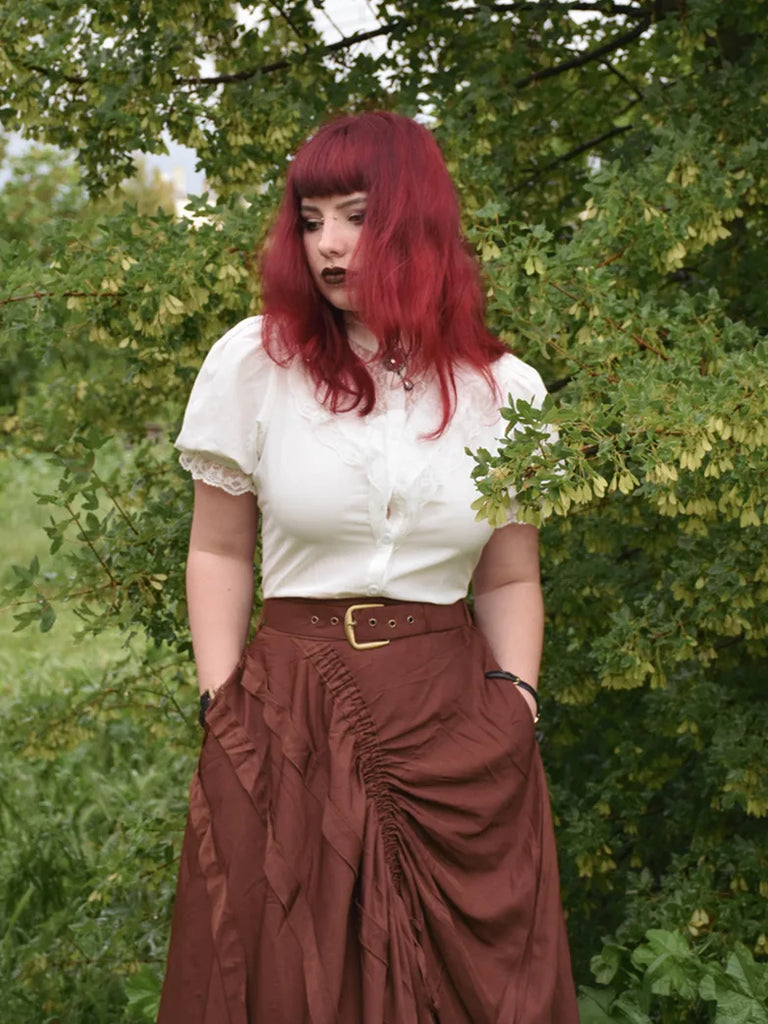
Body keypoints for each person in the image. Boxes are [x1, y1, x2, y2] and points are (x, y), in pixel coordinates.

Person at [158, 110, 578, 1024]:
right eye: (311, 221)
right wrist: (224, 703)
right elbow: (218, 547)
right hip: (289, 710)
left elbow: (509, 575)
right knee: (286, 981)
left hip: (456, 722)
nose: (329, 246)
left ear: (416, 223)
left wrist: (518, 701)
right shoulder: (253, 364)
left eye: (354, 215)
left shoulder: (508, 393)